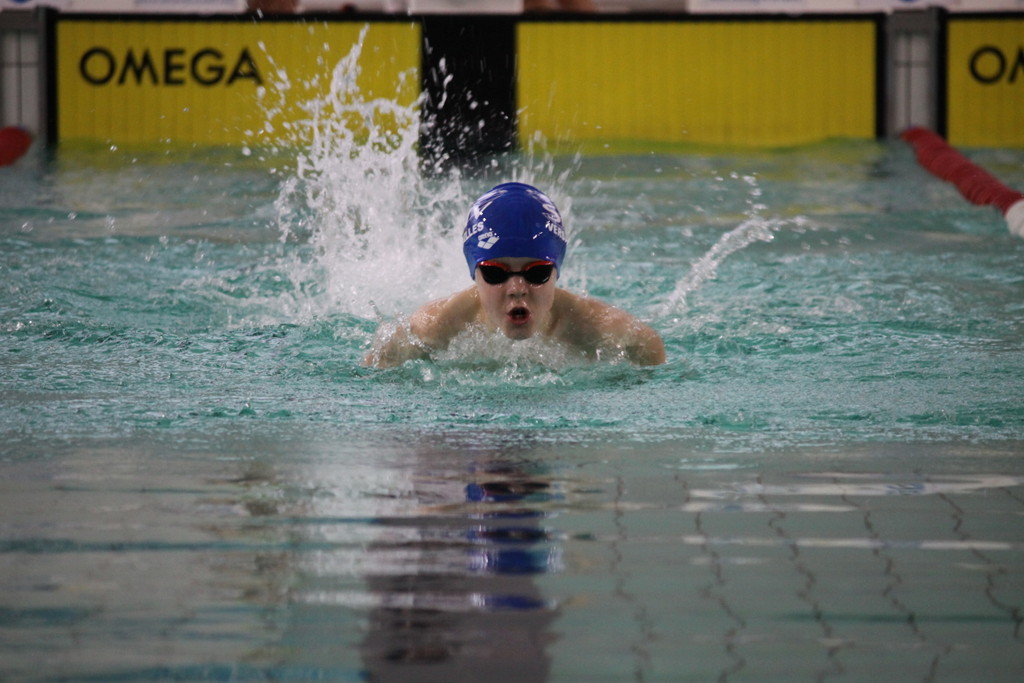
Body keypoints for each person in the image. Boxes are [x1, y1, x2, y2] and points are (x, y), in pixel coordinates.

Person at [364, 182, 665, 368]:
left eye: (537, 272)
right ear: (475, 273)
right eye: (496, 273)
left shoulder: (603, 331)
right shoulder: (433, 329)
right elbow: (376, 371)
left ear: (556, 271)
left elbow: (650, 348)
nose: (517, 288)